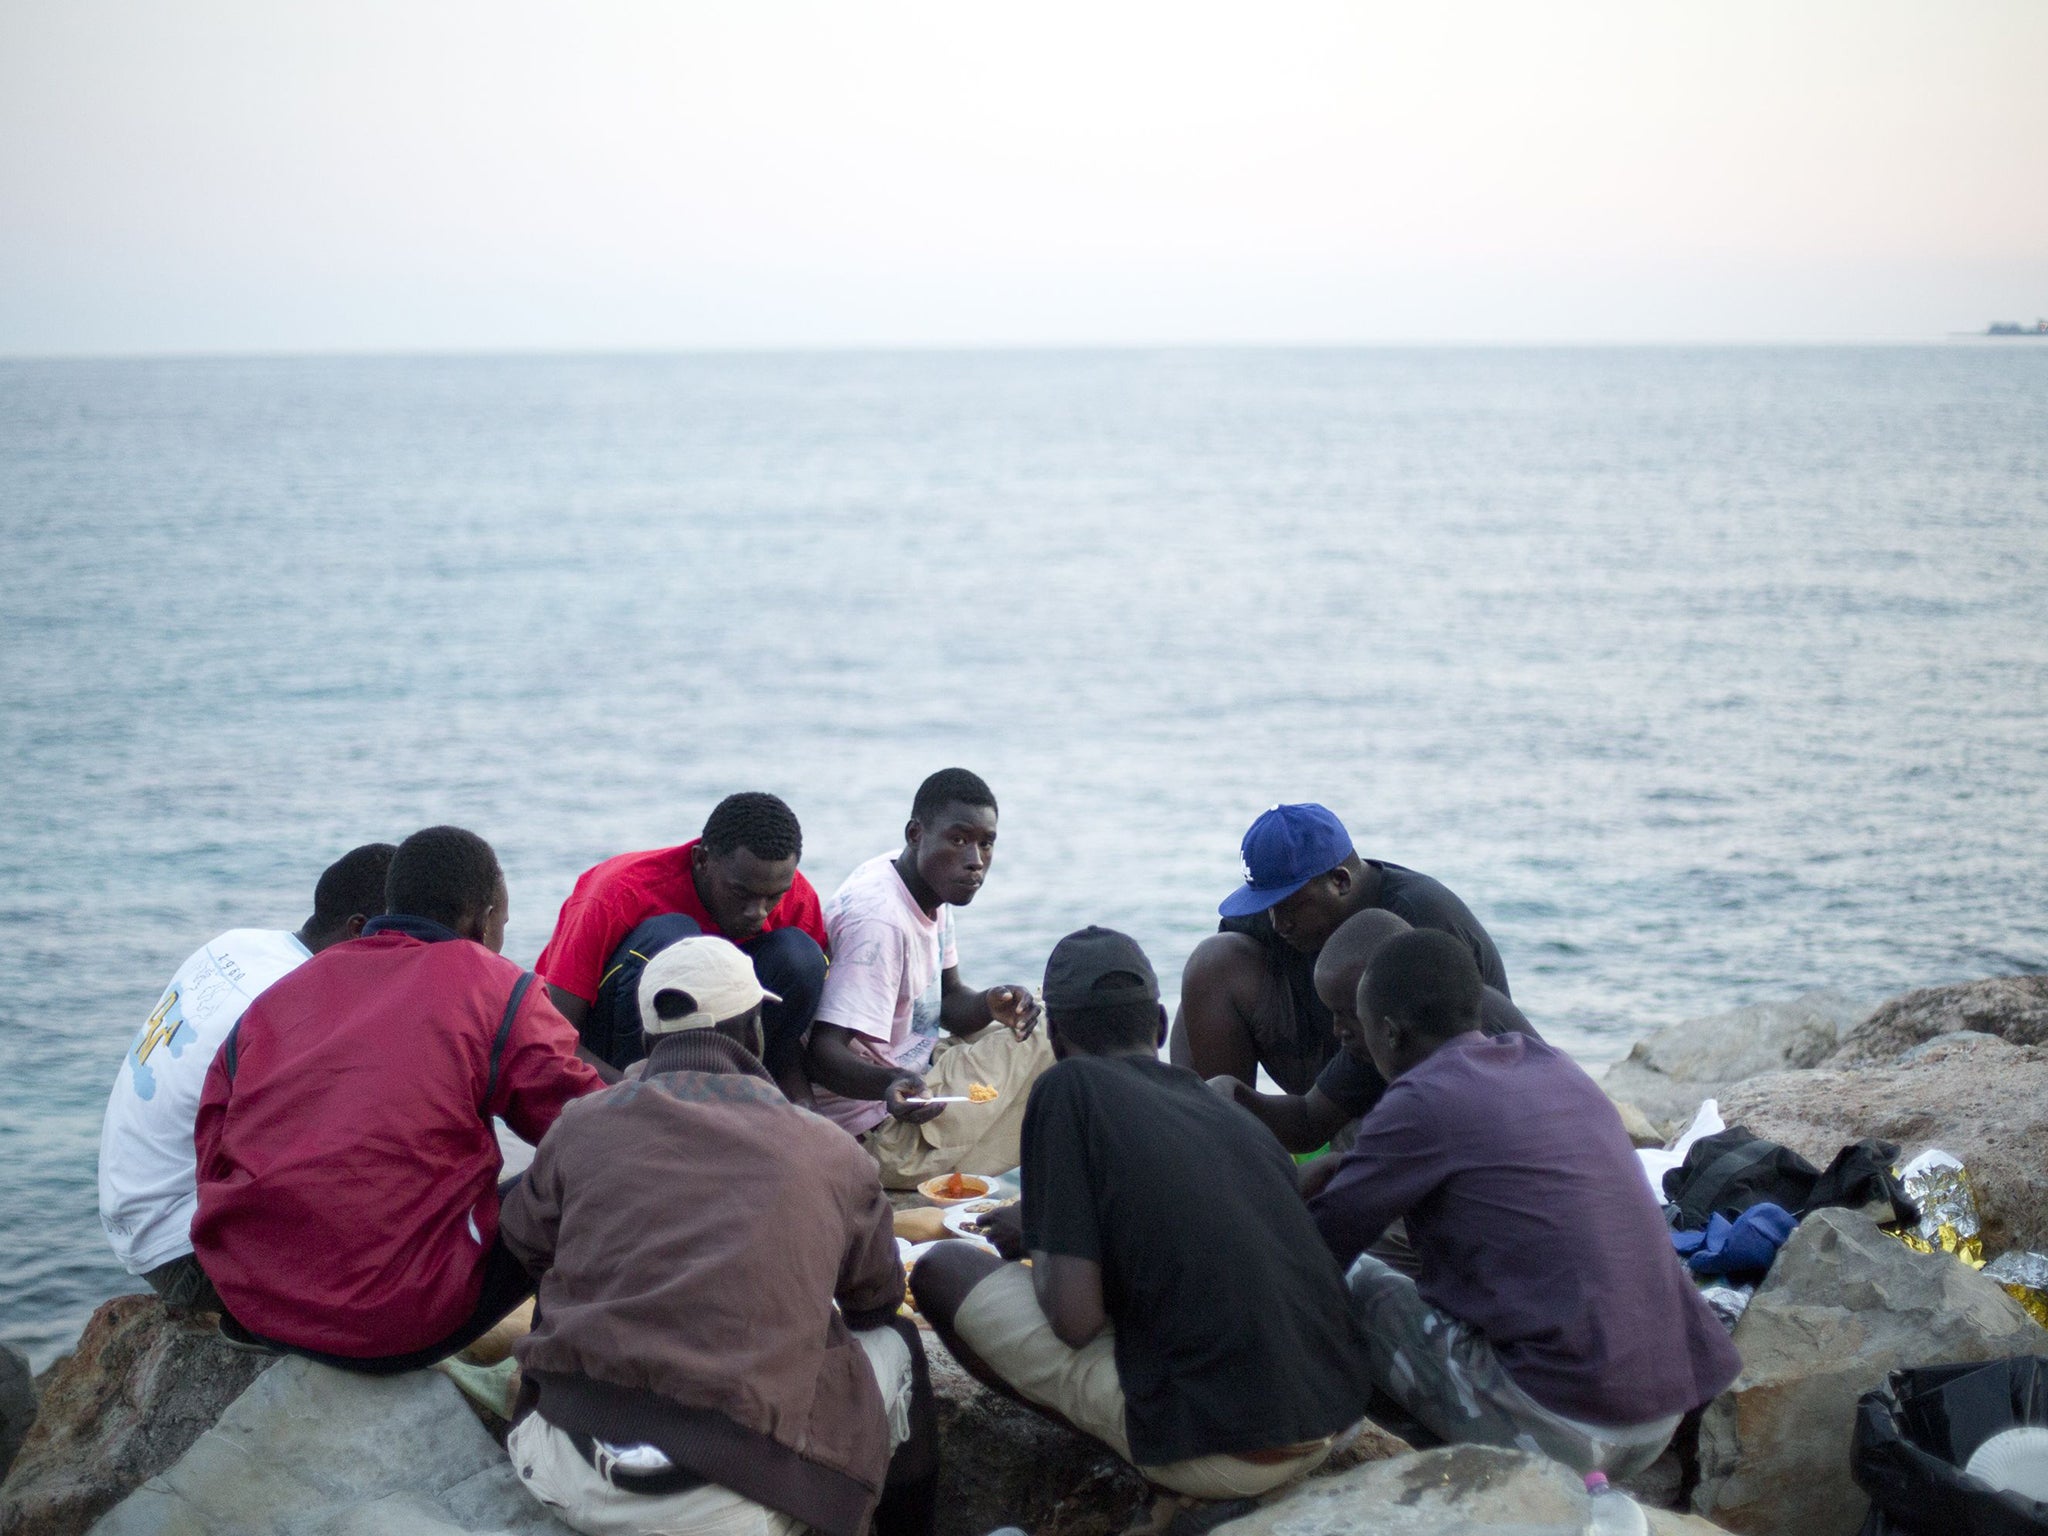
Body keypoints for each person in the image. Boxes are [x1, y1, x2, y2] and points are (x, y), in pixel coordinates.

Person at [911, 927, 1370, 1510]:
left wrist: (1046, 1230)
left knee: (943, 1269)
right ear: (1157, 1024)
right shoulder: (1224, 1107)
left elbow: (1074, 1321)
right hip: (1333, 1414)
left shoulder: (1067, 1088)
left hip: (1231, 1454)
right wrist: (1049, 1222)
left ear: (1054, 1034)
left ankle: (1148, 1464)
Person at [501, 935, 936, 1536]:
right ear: (755, 1031)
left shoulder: (581, 1124)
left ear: (651, 1038)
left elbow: (525, 1240)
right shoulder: (827, 1149)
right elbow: (875, 1300)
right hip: (722, 1499)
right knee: (900, 1343)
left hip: (562, 1466)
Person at [1309, 930, 1740, 1475]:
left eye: (1361, 1027)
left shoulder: (1420, 1100)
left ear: (1391, 1033)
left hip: (1562, 1431)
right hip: (1663, 1413)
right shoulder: (1552, 1065)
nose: (1350, 1037)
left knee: (1353, 1281)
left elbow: (1312, 1255)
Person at [192, 825, 604, 1373]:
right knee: (568, 1183)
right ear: (480, 919)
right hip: (393, 1324)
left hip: (253, 1302)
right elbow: (591, 1132)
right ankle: (549, 1390)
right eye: (502, 922)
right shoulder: (494, 987)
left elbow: (213, 1139)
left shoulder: (282, 993)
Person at [97, 842, 396, 1312]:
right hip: (184, 1253)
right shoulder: (296, 1000)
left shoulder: (240, 943)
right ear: (360, 929)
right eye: (404, 940)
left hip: (135, 1212)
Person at [805, 769, 1051, 1186]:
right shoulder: (881, 921)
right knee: (1064, 1024)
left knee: (1039, 1011)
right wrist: (892, 1084)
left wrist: (990, 1003)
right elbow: (822, 1054)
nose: (975, 861)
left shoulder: (925, 882)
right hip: (877, 1132)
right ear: (916, 833)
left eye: (986, 843)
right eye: (959, 840)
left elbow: (949, 1002)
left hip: (912, 1064)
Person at [1171, 802, 1508, 1095]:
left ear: (1341, 882)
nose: (1277, 923)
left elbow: (1456, 1047)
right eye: (1266, 905)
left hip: (1437, 1077)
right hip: (1343, 1055)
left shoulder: (1419, 918)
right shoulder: (1278, 915)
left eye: (1288, 905)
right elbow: (1201, 997)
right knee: (1211, 963)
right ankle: (1223, 1137)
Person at [535, 792, 829, 1098]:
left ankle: (751, 1095)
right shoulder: (616, 893)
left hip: (728, 1060)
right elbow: (553, 1034)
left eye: (773, 896)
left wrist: (800, 1110)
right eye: (741, 894)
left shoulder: (796, 897)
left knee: (802, 957)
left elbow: (796, 1036)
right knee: (674, 940)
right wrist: (638, 1095)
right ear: (701, 860)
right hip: (620, 1063)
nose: (759, 912)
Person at [1209, 908, 1538, 1163]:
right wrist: (1236, 1094)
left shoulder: (1437, 1075)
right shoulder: (1401, 1026)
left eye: (1346, 1013)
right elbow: (1309, 1121)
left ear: (1387, 1020)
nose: (1337, 1030)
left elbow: (1344, 1214)